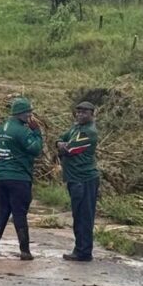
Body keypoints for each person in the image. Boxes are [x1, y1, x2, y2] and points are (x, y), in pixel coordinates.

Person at [0, 98, 43, 261]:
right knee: (20, 213)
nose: (30, 116)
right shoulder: (22, 131)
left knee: (2, 211)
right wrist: (37, 132)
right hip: (18, 177)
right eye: (29, 112)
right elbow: (36, 150)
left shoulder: (2, 127)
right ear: (21, 113)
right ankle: (25, 250)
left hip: (0, 176)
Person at [57, 101, 100, 263]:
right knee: (78, 214)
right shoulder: (76, 128)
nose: (80, 115)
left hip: (85, 178)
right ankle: (80, 248)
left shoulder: (89, 132)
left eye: (84, 113)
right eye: (78, 112)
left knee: (84, 216)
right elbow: (61, 139)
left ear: (92, 114)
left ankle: (84, 251)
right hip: (75, 178)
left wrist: (63, 146)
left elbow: (70, 149)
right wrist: (61, 143)